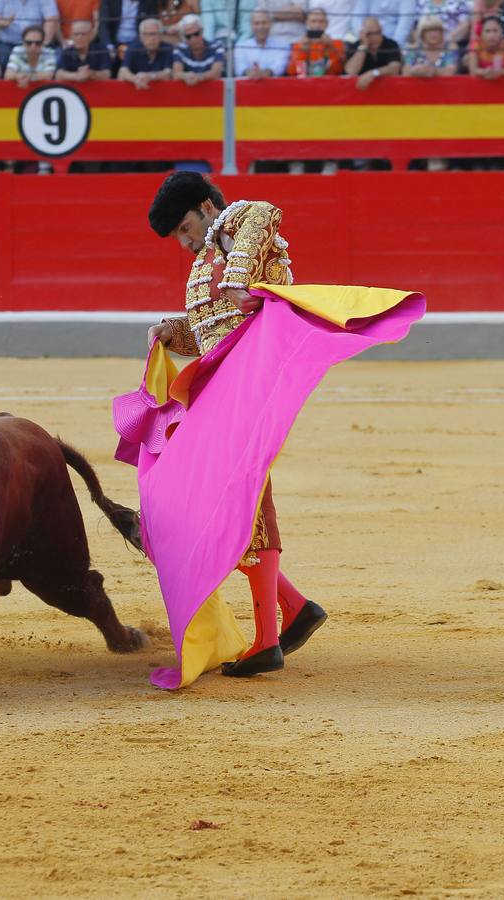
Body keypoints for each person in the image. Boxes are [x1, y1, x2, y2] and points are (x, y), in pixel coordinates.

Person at [139, 173, 335, 680]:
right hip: (224, 393)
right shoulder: (207, 259)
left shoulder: (243, 220)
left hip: (254, 385)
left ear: (207, 206)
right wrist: (172, 330)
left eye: (186, 227)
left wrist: (238, 273)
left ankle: (270, 638)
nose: (185, 243)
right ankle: (292, 609)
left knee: (242, 499)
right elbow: (211, 333)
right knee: (228, 503)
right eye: (179, 237)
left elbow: (267, 212)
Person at [0, 0, 57, 66]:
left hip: (36, 42)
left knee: (51, 61)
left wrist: (44, 44)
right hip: (8, 43)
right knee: (1, 61)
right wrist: (4, 23)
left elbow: (51, 19)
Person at [286, 7, 345, 76]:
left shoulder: (337, 43)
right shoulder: (298, 45)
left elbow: (337, 70)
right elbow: (293, 72)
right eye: (313, 21)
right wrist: (302, 51)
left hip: (327, 84)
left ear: (327, 23)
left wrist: (330, 48)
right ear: (307, 23)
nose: (317, 25)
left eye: (321, 21)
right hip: (305, 84)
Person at [344, 15, 400, 87]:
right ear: (362, 34)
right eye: (370, 34)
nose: (375, 37)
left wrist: (374, 73)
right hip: (362, 93)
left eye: (378, 33)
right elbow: (350, 72)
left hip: (388, 90)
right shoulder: (356, 46)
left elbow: (394, 68)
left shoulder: (391, 44)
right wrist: (364, 46)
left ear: (382, 31)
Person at [233, 10, 289, 77]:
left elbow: (279, 68)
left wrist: (263, 74)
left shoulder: (283, 46)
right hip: (248, 85)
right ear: (251, 26)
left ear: (271, 24)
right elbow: (240, 69)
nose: (260, 27)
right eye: (256, 23)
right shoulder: (241, 46)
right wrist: (251, 73)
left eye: (264, 23)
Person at [118, 16, 172, 85]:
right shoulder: (133, 49)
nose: (152, 38)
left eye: (155, 34)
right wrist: (136, 80)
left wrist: (150, 76)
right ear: (141, 36)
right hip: (138, 92)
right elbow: (123, 72)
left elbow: (168, 73)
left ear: (161, 36)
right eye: (148, 34)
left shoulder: (168, 49)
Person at [171, 12, 222, 82]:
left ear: (202, 31)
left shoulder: (216, 46)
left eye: (196, 34)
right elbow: (176, 74)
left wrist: (198, 77)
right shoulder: (180, 49)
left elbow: (216, 73)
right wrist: (186, 76)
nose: (193, 39)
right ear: (184, 37)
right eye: (188, 36)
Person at [406, 0, 470, 48]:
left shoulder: (458, 2)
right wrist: (420, 42)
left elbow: (465, 25)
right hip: (424, 44)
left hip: (450, 43)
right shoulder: (420, 2)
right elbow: (414, 26)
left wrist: (447, 39)